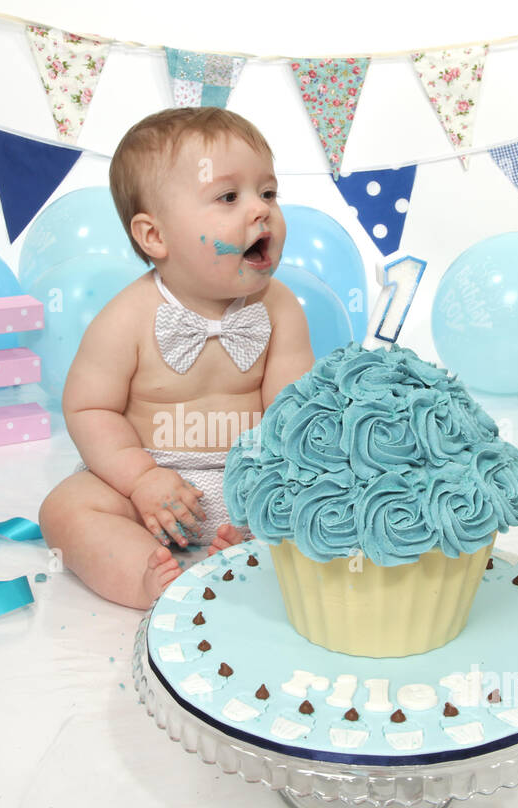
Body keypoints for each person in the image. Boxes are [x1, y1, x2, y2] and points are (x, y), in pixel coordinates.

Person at [39, 108, 313, 609]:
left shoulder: (280, 308)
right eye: (229, 196)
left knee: (324, 498)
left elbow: (293, 410)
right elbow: (88, 408)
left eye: (268, 193)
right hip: (146, 479)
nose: (261, 210)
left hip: (245, 481)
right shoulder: (127, 317)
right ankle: (147, 577)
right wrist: (140, 478)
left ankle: (249, 554)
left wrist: (272, 488)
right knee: (65, 510)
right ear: (155, 237)